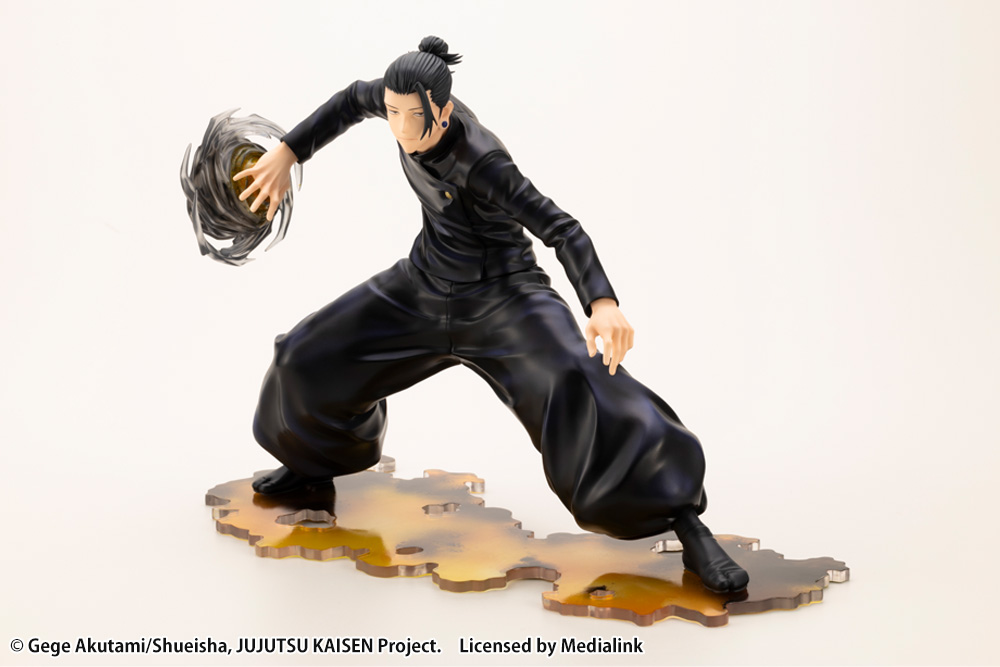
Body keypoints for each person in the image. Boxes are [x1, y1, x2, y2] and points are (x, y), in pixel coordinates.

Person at [234, 37, 749, 594]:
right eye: (391, 112)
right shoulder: (394, 103)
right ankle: (312, 471)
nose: (400, 128)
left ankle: (689, 527)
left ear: (443, 111)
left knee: (586, 386)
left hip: (504, 300)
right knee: (302, 356)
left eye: (413, 117)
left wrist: (601, 302)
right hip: (425, 285)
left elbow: (562, 228)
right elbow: (346, 102)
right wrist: (288, 152)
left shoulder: (483, 162)